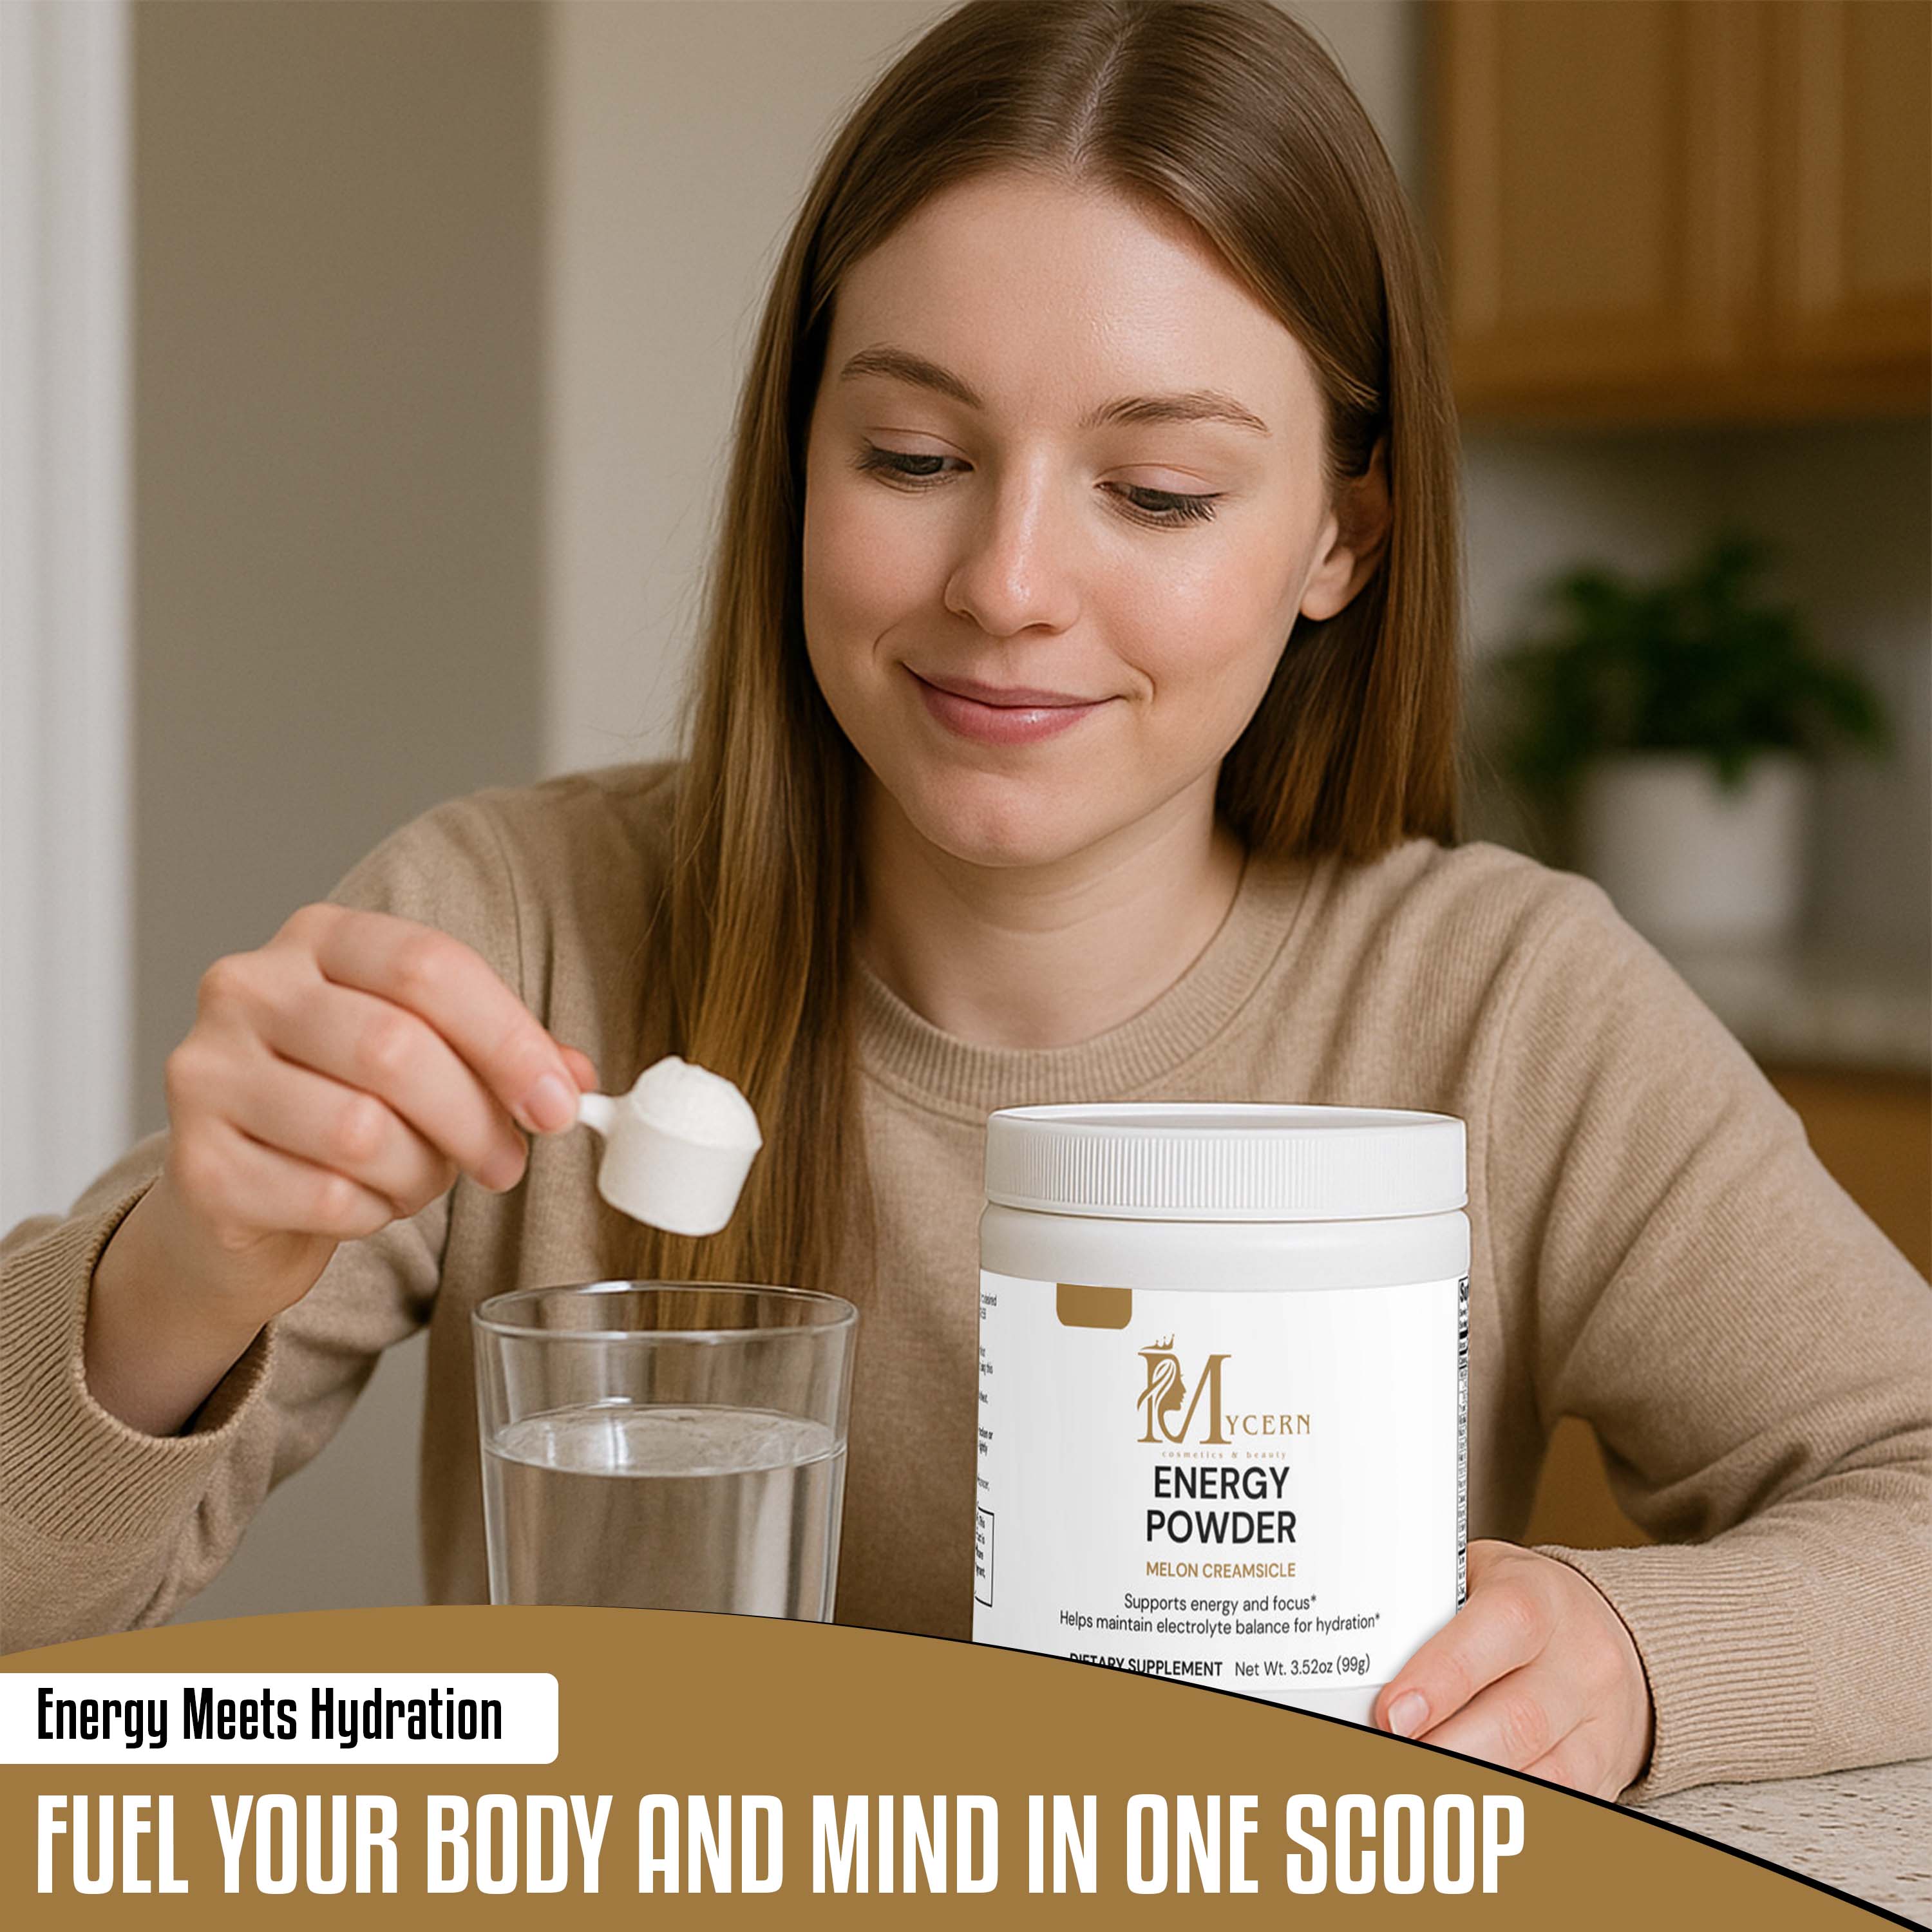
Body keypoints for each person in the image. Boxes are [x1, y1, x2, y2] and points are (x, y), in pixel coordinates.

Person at [3, 0, 1926, 1808]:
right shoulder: (524, 929)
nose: (1007, 581)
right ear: (798, 467)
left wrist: (1638, 1660)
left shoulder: (1502, 1013)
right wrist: (183, 1269)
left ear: (1342, 537)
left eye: (1158, 491)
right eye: (914, 457)